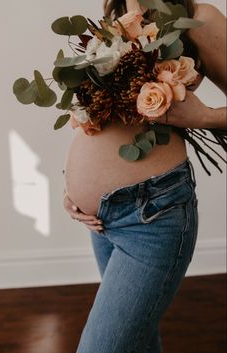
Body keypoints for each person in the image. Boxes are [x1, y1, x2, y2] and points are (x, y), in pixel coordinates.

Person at [63, 1, 226, 352]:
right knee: (136, 343)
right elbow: (104, 114)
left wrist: (205, 117)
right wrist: (75, 182)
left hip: (153, 214)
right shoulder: (117, 9)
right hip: (103, 220)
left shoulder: (200, 18)